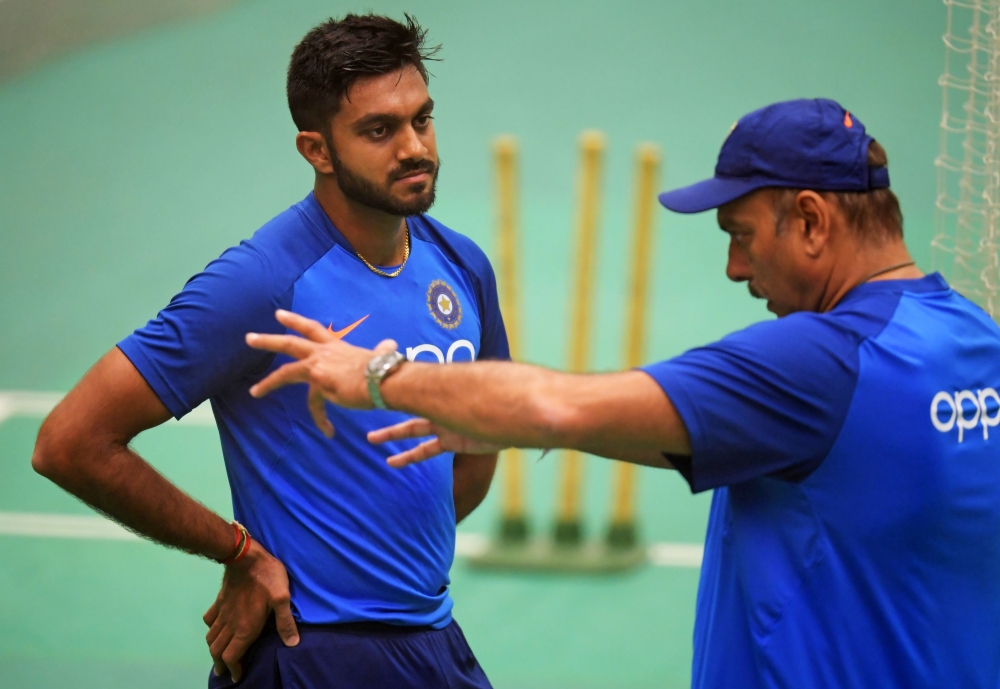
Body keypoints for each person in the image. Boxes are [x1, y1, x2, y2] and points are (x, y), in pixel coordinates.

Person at [243, 99, 1000, 688]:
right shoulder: (974, 340)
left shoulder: (818, 362)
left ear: (809, 218)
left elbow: (561, 408)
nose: (737, 270)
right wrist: (491, 421)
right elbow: (716, 442)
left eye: (741, 234)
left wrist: (380, 377)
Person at [31, 13, 504, 689]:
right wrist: (240, 551)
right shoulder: (262, 280)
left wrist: (383, 548)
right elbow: (70, 440)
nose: (414, 147)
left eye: (421, 120)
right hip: (309, 652)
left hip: (432, 639)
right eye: (379, 130)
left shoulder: (462, 265)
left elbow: (483, 439)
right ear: (316, 150)